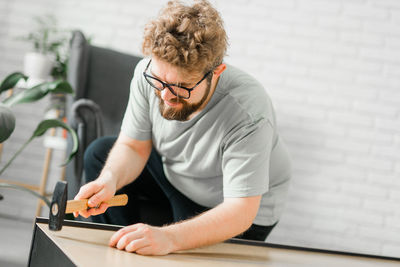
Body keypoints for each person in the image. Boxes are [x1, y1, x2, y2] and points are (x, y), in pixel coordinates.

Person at [74, 0, 291, 256]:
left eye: (181, 87)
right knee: (100, 154)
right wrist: (109, 181)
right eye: (159, 81)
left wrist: (169, 238)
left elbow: (240, 211)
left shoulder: (248, 112)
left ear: (216, 72)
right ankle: (120, 252)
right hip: (178, 172)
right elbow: (133, 145)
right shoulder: (147, 74)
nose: (165, 96)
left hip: (230, 205)